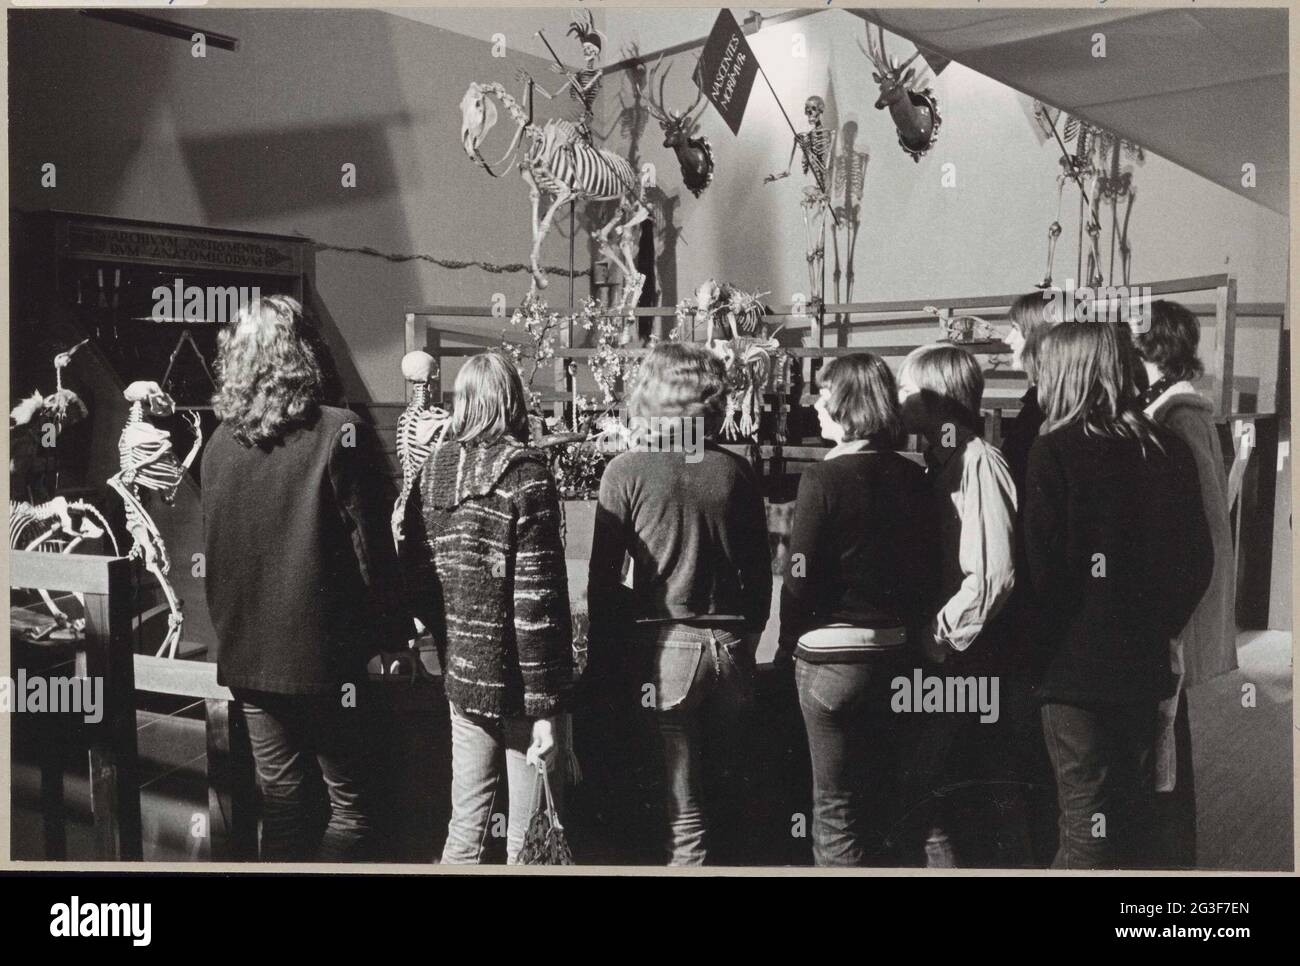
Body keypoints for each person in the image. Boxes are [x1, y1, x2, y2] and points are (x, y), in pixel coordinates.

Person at [202, 295, 410, 861]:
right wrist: (393, 635)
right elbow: (371, 554)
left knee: (285, 806)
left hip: (249, 659)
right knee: (355, 811)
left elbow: (216, 556)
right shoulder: (340, 432)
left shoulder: (218, 445)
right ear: (305, 354)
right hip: (327, 661)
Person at [1025, 320, 1212, 869]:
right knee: (1125, 817)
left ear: (1065, 374)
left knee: (1083, 826)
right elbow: (1196, 562)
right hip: (1141, 668)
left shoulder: (1054, 451)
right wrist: (1155, 625)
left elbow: (1041, 574)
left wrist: (1048, 651)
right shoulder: (1166, 447)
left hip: (1072, 675)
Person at [587, 342, 772, 865]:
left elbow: (603, 584)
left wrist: (607, 661)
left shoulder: (627, 471)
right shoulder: (734, 472)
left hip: (665, 646)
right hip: (732, 648)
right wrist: (749, 633)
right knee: (725, 796)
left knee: (681, 813)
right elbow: (759, 572)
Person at [402, 351, 575, 865]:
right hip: (524, 688)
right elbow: (535, 604)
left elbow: (414, 577)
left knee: (465, 829)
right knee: (528, 841)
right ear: (512, 400)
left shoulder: (431, 472)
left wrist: (450, 643)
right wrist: (547, 710)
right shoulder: (526, 476)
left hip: (462, 677)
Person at [778, 353, 934, 866]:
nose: (816, 404)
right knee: (885, 802)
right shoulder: (914, 477)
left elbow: (798, 579)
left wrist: (786, 647)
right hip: (894, 655)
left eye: (825, 395)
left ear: (847, 406)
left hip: (828, 662)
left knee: (834, 811)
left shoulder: (824, 480)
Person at [897, 343, 1018, 866]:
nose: (896, 400)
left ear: (934, 397)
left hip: (965, 659)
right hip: (950, 660)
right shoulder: (941, 459)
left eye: (905, 390)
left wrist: (940, 634)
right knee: (938, 793)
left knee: (936, 788)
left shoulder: (977, 462)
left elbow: (992, 575)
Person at [1133, 299, 1238, 867]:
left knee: (1171, 737)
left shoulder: (1181, 414)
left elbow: (1194, 522)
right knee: (1168, 735)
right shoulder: (1171, 407)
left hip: (1177, 602)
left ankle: (1172, 859)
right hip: (1175, 598)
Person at [1000, 291, 1066, 495]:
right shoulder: (1039, 404)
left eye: (1016, 329)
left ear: (1041, 339)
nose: (1007, 339)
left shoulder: (1045, 410)